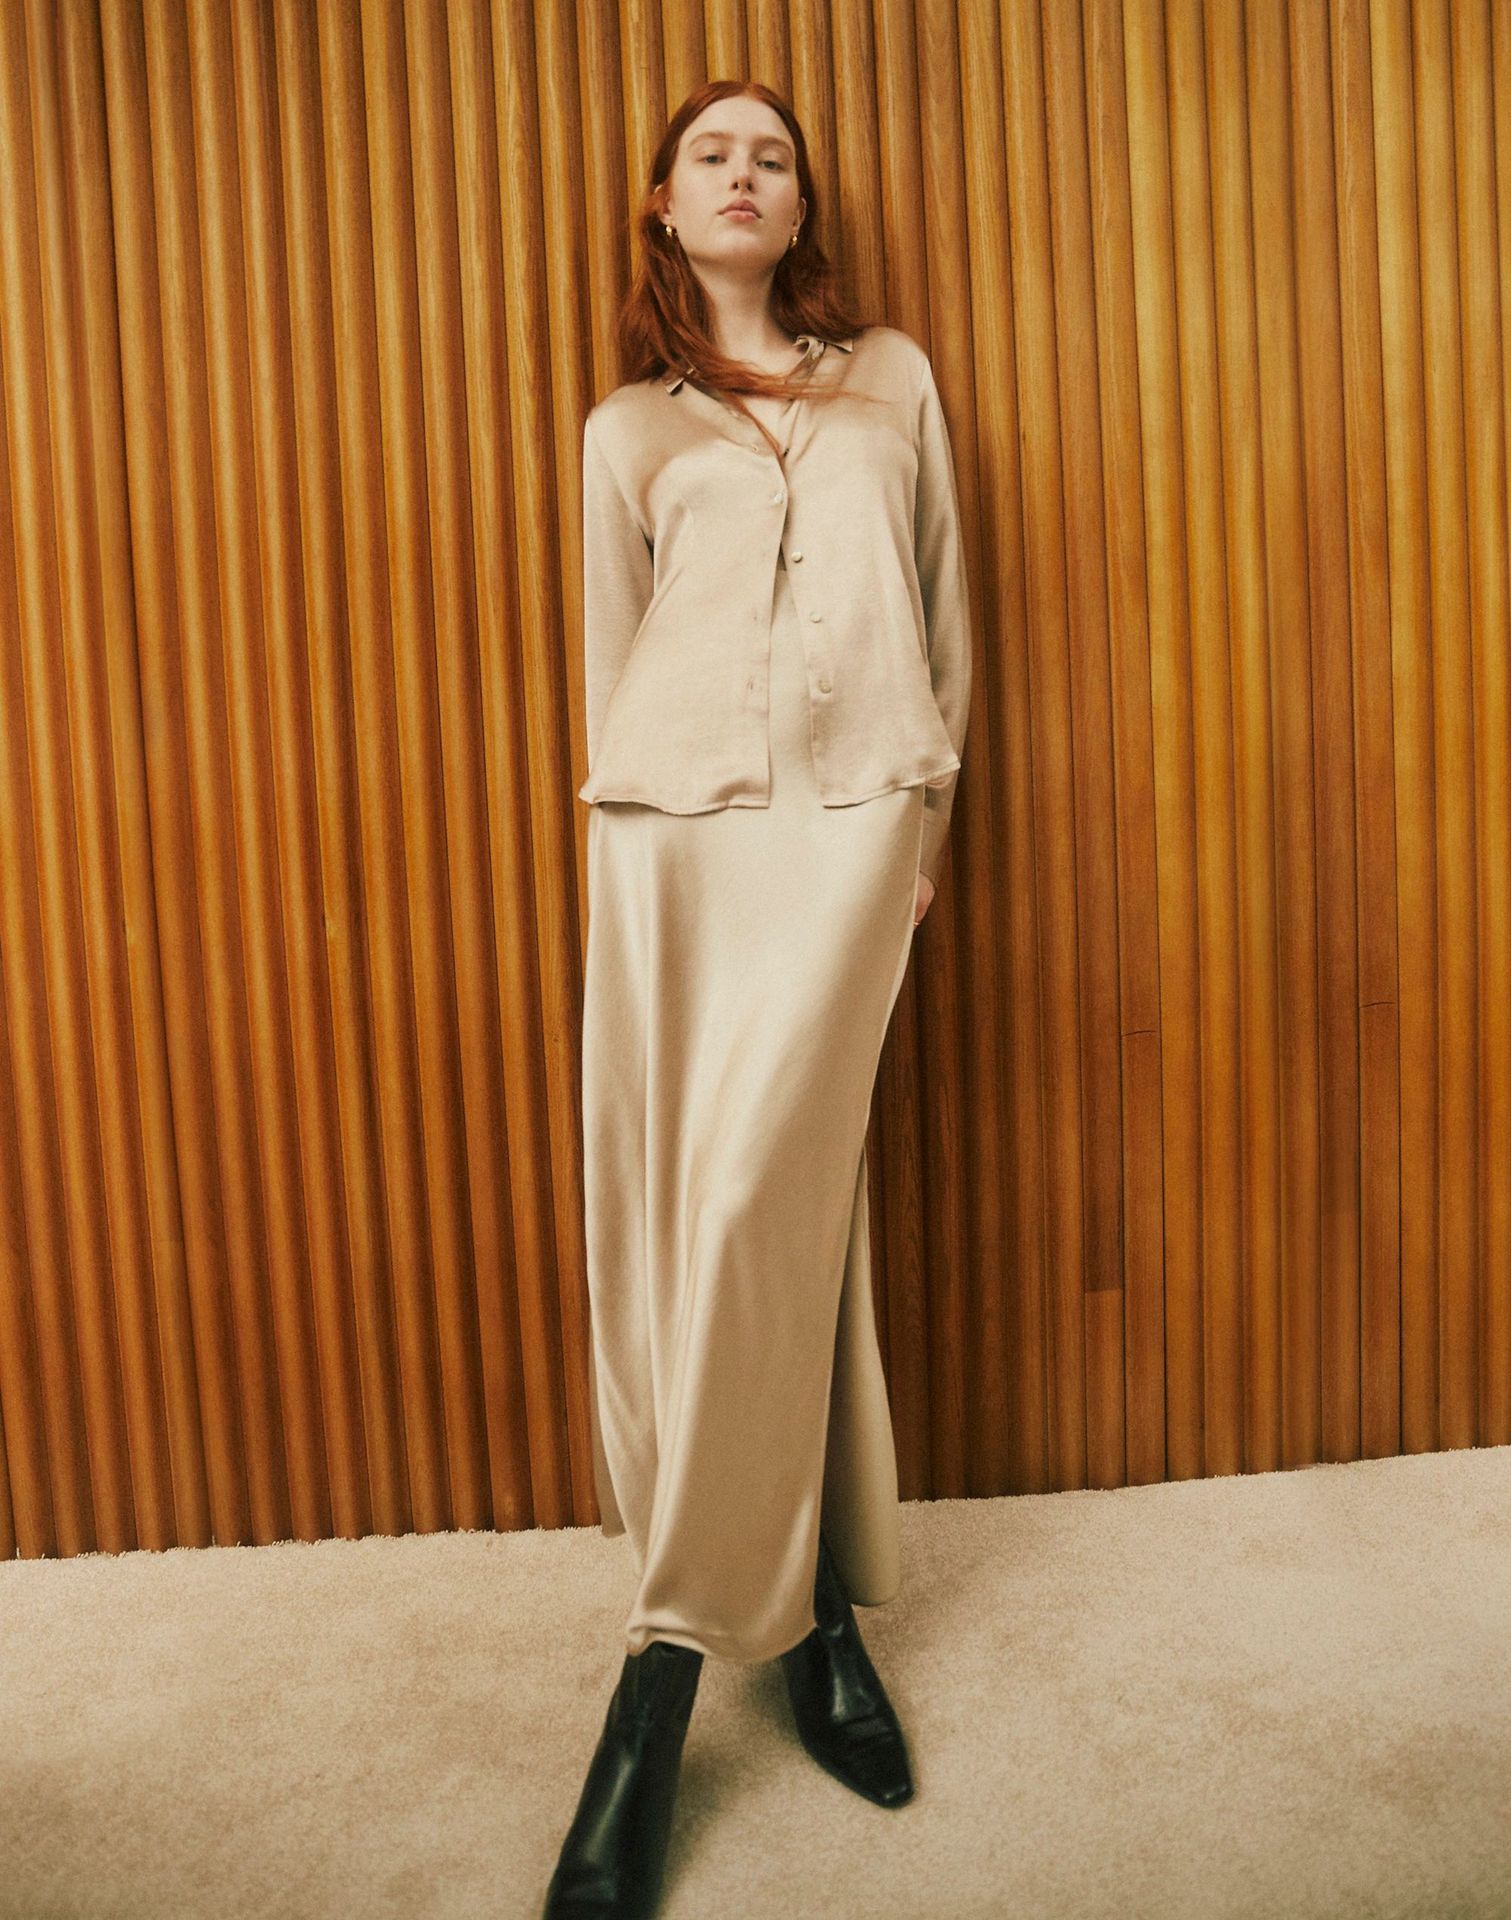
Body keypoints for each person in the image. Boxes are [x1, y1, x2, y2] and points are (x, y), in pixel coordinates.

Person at [543, 77, 973, 1920]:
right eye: (712, 153)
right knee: (774, 1222)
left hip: (862, 817)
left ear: (800, 209)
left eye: (771, 157)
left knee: (745, 1205)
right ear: (665, 201)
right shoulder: (625, 429)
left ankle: (656, 1684)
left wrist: (931, 816)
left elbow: (944, 609)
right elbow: (608, 659)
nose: (743, 174)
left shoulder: (892, 380)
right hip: (674, 840)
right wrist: (618, 870)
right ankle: (817, 1622)